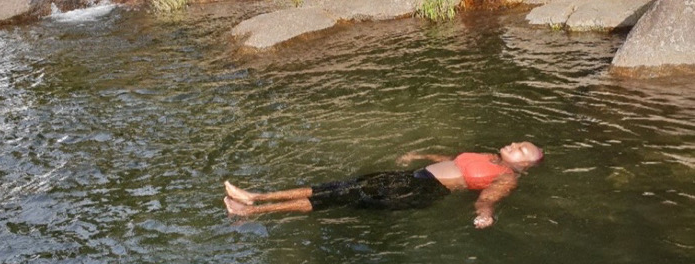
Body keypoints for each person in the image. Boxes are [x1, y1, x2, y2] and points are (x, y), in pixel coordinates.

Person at [224, 141, 543, 229]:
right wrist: (419, 154)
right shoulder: (490, 156)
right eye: (517, 143)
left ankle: (253, 212)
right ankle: (254, 197)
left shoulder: (507, 178)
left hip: (421, 190)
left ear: (523, 164)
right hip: (413, 176)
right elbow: (454, 158)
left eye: (521, 150)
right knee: (333, 187)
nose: (514, 145)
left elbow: (488, 198)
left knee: (336, 198)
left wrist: (484, 214)